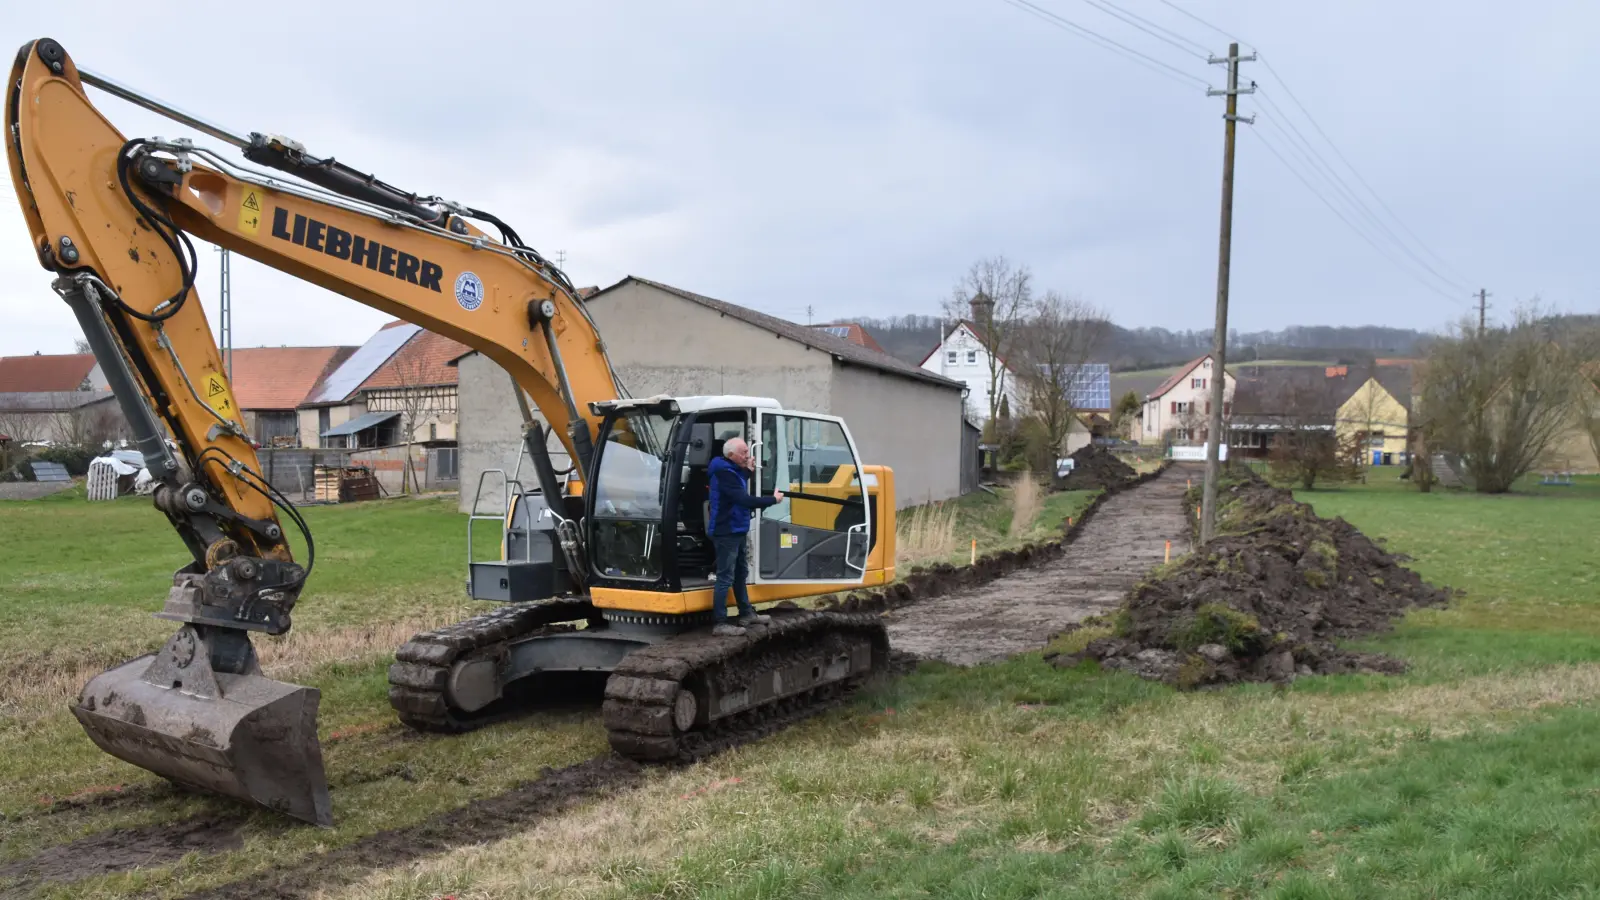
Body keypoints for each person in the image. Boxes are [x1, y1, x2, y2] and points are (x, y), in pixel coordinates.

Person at [706, 436, 783, 636]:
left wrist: (747, 470)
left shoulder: (729, 469)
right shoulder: (723, 472)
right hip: (727, 531)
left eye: (748, 451)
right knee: (725, 577)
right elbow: (743, 499)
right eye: (744, 453)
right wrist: (773, 500)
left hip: (737, 529)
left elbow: (737, 484)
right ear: (731, 455)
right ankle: (720, 623)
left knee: (741, 572)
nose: (748, 455)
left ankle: (747, 613)